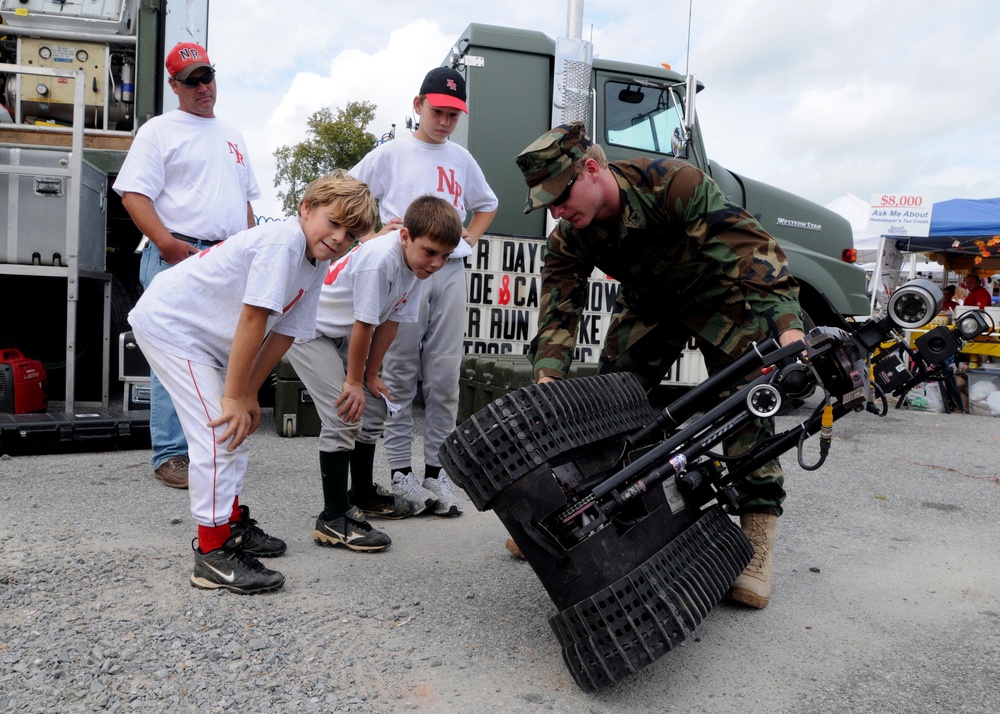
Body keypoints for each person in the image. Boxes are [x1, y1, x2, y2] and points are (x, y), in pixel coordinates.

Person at [512, 122, 806, 610]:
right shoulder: (572, 235)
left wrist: (789, 331)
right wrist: (549, 374)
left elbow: (749, 250)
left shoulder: (674, 184)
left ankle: (757, 535)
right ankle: (579, 519)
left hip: (721, 298)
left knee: (746, 406)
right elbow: (559, 305)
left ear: (591, 168)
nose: (557, 212)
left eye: (559, 197)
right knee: (610, 404)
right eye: (547, 205)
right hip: (649, 307)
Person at [127, 171, 377, 593]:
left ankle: (230, 524)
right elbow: (253, 317)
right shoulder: (284, 240)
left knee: (238, 428)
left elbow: (282, 334)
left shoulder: (316, 264)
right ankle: (211, 553)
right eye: (333, 222)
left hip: (204, 337)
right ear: (306, 209)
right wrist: (232, 396)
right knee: (220, 432)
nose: (339, 238)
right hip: (173, 326)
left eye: (350, 234)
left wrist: (246, 394)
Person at [349, 66, 498, 517]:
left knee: (444, 376)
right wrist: (369, 235)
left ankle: (437, 472)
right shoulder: (392, 152)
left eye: (454, 114)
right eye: (438, 111)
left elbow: (487, 204)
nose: (445, 122)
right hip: (404, 268)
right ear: (418, 105)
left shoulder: (461, 158)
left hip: (449, 271)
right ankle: (400, 472)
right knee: (397, 372)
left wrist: (469, 236)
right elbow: (349, 194)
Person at [114, 42, 260, 490]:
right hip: (179, 254)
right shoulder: (159, 130)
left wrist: (251, 250)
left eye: (207, 76)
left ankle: (206, 446)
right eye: (191, 80)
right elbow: (133, 193)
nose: (203, 87)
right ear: (174, 85)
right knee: (173, 356)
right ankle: (171, 454)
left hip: (225, 257)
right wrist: (167, 244)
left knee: (218, 353)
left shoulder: (233, 134)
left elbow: (246, 204)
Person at [285, 195, 463, 552]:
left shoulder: (416, 269)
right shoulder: (382, 259)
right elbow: (364, 324)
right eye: (430, 252)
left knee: (375, 405)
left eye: (445, 256)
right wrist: (353, 381)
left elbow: (390, 322)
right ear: (405, 236)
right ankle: (334, 518)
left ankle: (362, 493)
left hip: (341, 334)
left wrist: (369, 377)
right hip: (308, 331)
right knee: (344, 412)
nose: (437, 263)